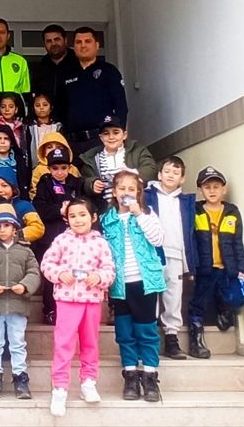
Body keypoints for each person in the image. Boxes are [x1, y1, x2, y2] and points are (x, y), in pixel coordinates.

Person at [40, 198, 115, 417]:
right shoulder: (61, 240)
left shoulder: (101, 243)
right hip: (66, 300)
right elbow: (47, 264)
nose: (77, 220)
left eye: (82, 215)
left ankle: (88, 382)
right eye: (72, 216)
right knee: (64, 344)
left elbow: (110, 270)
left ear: (93, 218)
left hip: (92, 301)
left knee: (90, 343)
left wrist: (98, 277)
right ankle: (60, 387)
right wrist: (59, 274)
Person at [101, 168, 166, 402]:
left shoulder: (147, 214)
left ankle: (149, 376)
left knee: (146, 331)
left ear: (138, 192)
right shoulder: (106, 219)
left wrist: (139, 214)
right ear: (114, 192)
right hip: (119, 285)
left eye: (131, 189)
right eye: (122, 189)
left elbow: (158, 239)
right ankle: (130, 375)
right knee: (125, 332)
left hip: (145, 282)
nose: (126, 193)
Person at [0, 201, 41, 400]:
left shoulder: (25, 250)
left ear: (14, 227)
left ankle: (20, 377)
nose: (2, 230)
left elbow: (34, 272)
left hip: (18, 305)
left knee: (17, 342)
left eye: (7, 225)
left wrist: (26, 285)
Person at [188, 166, 244, 359]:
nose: (212, 191)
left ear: (224, 189)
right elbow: (190, 240)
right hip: (205, 268)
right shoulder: (195, 211)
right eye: (207, 187)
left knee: (235, 298)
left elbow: (238, 242)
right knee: (198, 302)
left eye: (216, 186)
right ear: (200, 190)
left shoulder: (231, 212)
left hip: (228, 268)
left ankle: (224, 310)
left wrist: (243, 269)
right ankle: (196, 340)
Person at [144, 156, 198, 359]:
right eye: (167, 171)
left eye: (176, 173)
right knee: (151, 294)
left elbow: (189, 232)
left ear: (182, 178)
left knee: (173, 295)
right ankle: (149, 338)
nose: (170, 175)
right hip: (152, 254)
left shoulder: (185, 202)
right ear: (159, 175)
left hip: (175, 253)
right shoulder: (148, 196)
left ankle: (171, 337)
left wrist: (189, 263)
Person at [30, 146, 83, 324]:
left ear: (69, 167)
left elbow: (85, 205)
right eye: (55, 168)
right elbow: (39, 207)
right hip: (50, 239)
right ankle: (50, 310)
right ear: (49, 168)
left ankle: (72, 308)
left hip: (73, 238)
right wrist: (59, 210)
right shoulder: (44, 184)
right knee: (52, 276)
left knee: (72, 273)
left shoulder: (76, 183)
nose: (59, 172)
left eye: (63, 167)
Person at [59, 27, 126, 157]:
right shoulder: (66, 74)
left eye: (87, 41)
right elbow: (60, 109)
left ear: (96, 45)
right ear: (73, 47)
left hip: (101, 141)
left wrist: (118, 137)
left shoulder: (109, 71)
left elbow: (121, 106)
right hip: (73, 143)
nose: (83, 45)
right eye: (78, 42)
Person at [80, 114, 156, 212]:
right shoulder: (92, 158)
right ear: (101, 137)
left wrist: (132, 172)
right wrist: (91, 184)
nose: (111, 137)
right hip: (107, 212)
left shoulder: (137, 150)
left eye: (116, 132)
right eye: (106, 133)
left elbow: (152, 170)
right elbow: (83, 182)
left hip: (136, 208)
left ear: (124, 135)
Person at [0, 166, 45, 245]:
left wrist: (15, 235)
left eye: (4, 186)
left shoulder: (24, 206)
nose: (0, 190)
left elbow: (38, 228)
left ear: (13, 188)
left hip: (20, 251)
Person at [30, 24, 79, 123]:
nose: (53, 44)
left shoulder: (78, 64)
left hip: (75, 123)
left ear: (65, 40)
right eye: (49, 41)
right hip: (48, 125)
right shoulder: (40, 68)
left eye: (57, 39)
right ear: (44, 44)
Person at [28, 131, 79, 199]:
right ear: (43, 151)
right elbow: (34, 191)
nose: (54, 149)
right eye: (49, 147)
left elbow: (79, 189)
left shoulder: (73, 168)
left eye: (59, 147)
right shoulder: (39, 169)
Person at [26, 92, 62, 175]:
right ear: (33, 109)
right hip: (35, 169)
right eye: (38, 105)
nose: (41, 108)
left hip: (56, 167)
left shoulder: (58, 127)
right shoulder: (28, 128)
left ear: (51, 107)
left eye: (45, 105)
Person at [0, 92, 27, 157]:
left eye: (11, 107)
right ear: (0, 109)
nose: (7, 109)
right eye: (3, 107)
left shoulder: (20, 126)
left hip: (16, 163)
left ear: (16, 109)